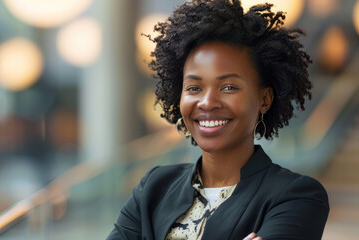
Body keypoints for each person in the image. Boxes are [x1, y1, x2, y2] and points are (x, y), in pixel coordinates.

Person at [106, 0, 329, 239]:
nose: (207, 102)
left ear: (264, 99)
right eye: (193, 88)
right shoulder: (153, 187)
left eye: (229, 87)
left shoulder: (297, 196)